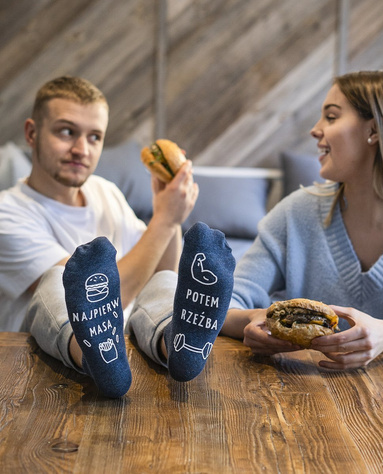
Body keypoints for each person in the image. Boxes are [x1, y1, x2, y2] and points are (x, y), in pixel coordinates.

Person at [221, 70, 383, 430]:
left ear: (375, 131)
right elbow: (227, 303)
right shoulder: (297, 212)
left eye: (332, 116)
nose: (315, 129)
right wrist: (248, 323)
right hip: (312, 410)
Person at [0, 76, 235, 397]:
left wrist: (169, 213)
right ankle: (96, 357)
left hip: (132, 343)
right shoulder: (7, 213)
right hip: (48, 357)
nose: (81, 149)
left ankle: (178, 345)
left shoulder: (105, 191)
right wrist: (164, 221)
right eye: (66, 131)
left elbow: (161, 272)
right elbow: (97, 298)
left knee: (165, 284)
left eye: (94, 137)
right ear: (32, 133)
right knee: (57, 281)